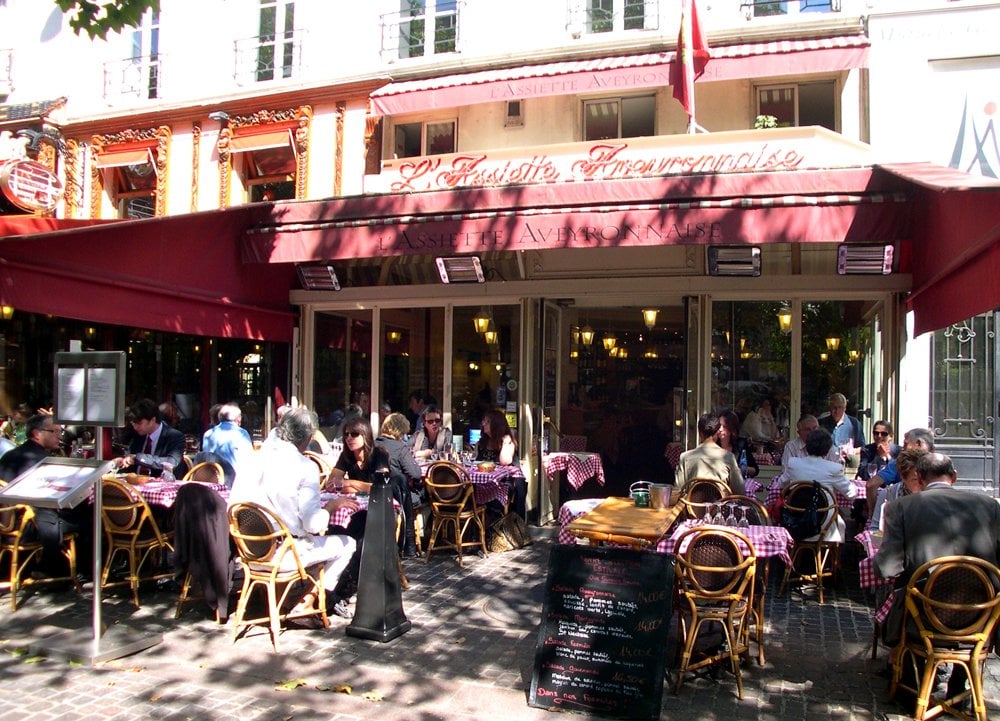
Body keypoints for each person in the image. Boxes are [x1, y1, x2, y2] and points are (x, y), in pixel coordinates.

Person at [874, 452, 1000, 701]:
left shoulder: (902, 507)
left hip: (926, 618)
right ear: (954, 476)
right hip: (981, 616)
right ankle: (959, 684)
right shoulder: (990, 506)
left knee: (903, 597)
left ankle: (913, 680)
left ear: (918, 478)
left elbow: (887, 568)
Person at [229, 407, 357, 620]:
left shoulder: (251, 459)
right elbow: (313, 524)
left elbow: (234, 507)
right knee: (348, 543)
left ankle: (277, 596)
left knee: (309, 540)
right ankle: (307, 600)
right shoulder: (305, 467)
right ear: (307, 437)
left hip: (249, 552)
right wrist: (331, 507)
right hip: (285, 553)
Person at [0, 414, 90, 575]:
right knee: (91, 518)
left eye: (60, 431)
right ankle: (74, 569)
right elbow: (54, 498)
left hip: (6, 523)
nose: (59, 436)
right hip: (28, 524)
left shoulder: (11, 455)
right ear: (36, 434)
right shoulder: (40, 462)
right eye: (54, 431)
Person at [781, 428, 856, 543]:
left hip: (796, 520)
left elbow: (780, 484)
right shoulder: (833, 468)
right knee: (841, 521)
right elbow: (851, 494)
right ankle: (834, 559)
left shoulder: (794, 463)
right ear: (826, 451)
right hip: (822, 523)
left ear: (807, 446)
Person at [375, 412, 421, 557]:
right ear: (399, 431)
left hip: (377, 493)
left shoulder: (373, 444)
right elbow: (416, 474)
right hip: (398, 496)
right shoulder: (399, 448)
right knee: (424, 495)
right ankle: (413, 544)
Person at [865, 427, 935, 518]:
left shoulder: (899, 464)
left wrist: (873, 513)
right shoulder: (939, 463)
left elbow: (871, 484)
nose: (903, 448)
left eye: (905, 444)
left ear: (918, 444)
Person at [674, 412, 745, 495]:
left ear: (699, 432)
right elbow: (739, 491)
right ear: (717, 432)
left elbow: (678, 490)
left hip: (692, 506)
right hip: (719, 506)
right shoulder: (728, 457)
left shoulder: (685, 457)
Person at [116, 398, 185, 477]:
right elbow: (127, 451)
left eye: (139, 423)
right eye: (133, 424)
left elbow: (171, 462)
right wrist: (122, 459)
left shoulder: (175, 436)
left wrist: (139, 458)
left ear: (153, 420)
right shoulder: (136, 433)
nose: (135, 427)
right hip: (135, 482)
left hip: (162, 483)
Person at [476, 409, 526, 518]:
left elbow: (505, 461)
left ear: (496, 424)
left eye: (487, 421)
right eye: (483, 421)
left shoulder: (507, 441)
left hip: (505, 481)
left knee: (494, 501)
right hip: (485, 483)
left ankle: (495, 526)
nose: (483, 424)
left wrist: (506, 441)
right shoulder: (482, 443)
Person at [867, 447, 925, 532]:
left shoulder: (933, 495)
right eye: (915, 480)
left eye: (924, 478)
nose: (922, 483)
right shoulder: (888, 495)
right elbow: (875, 529)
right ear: (903, 478)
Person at [200, 402, 253, 485]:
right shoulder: (241, 433)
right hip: (233, 481)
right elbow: (248, 461)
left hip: (210, 480)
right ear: (238, 418)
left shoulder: (208, 434)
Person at [717, 409, 758, 479]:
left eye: (724, 426)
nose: (720, 429)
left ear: (732, 429)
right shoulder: (713, 445)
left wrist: (740, 469)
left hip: (736, 485)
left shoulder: (740, 445)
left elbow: (755, 470)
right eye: (719, 426)